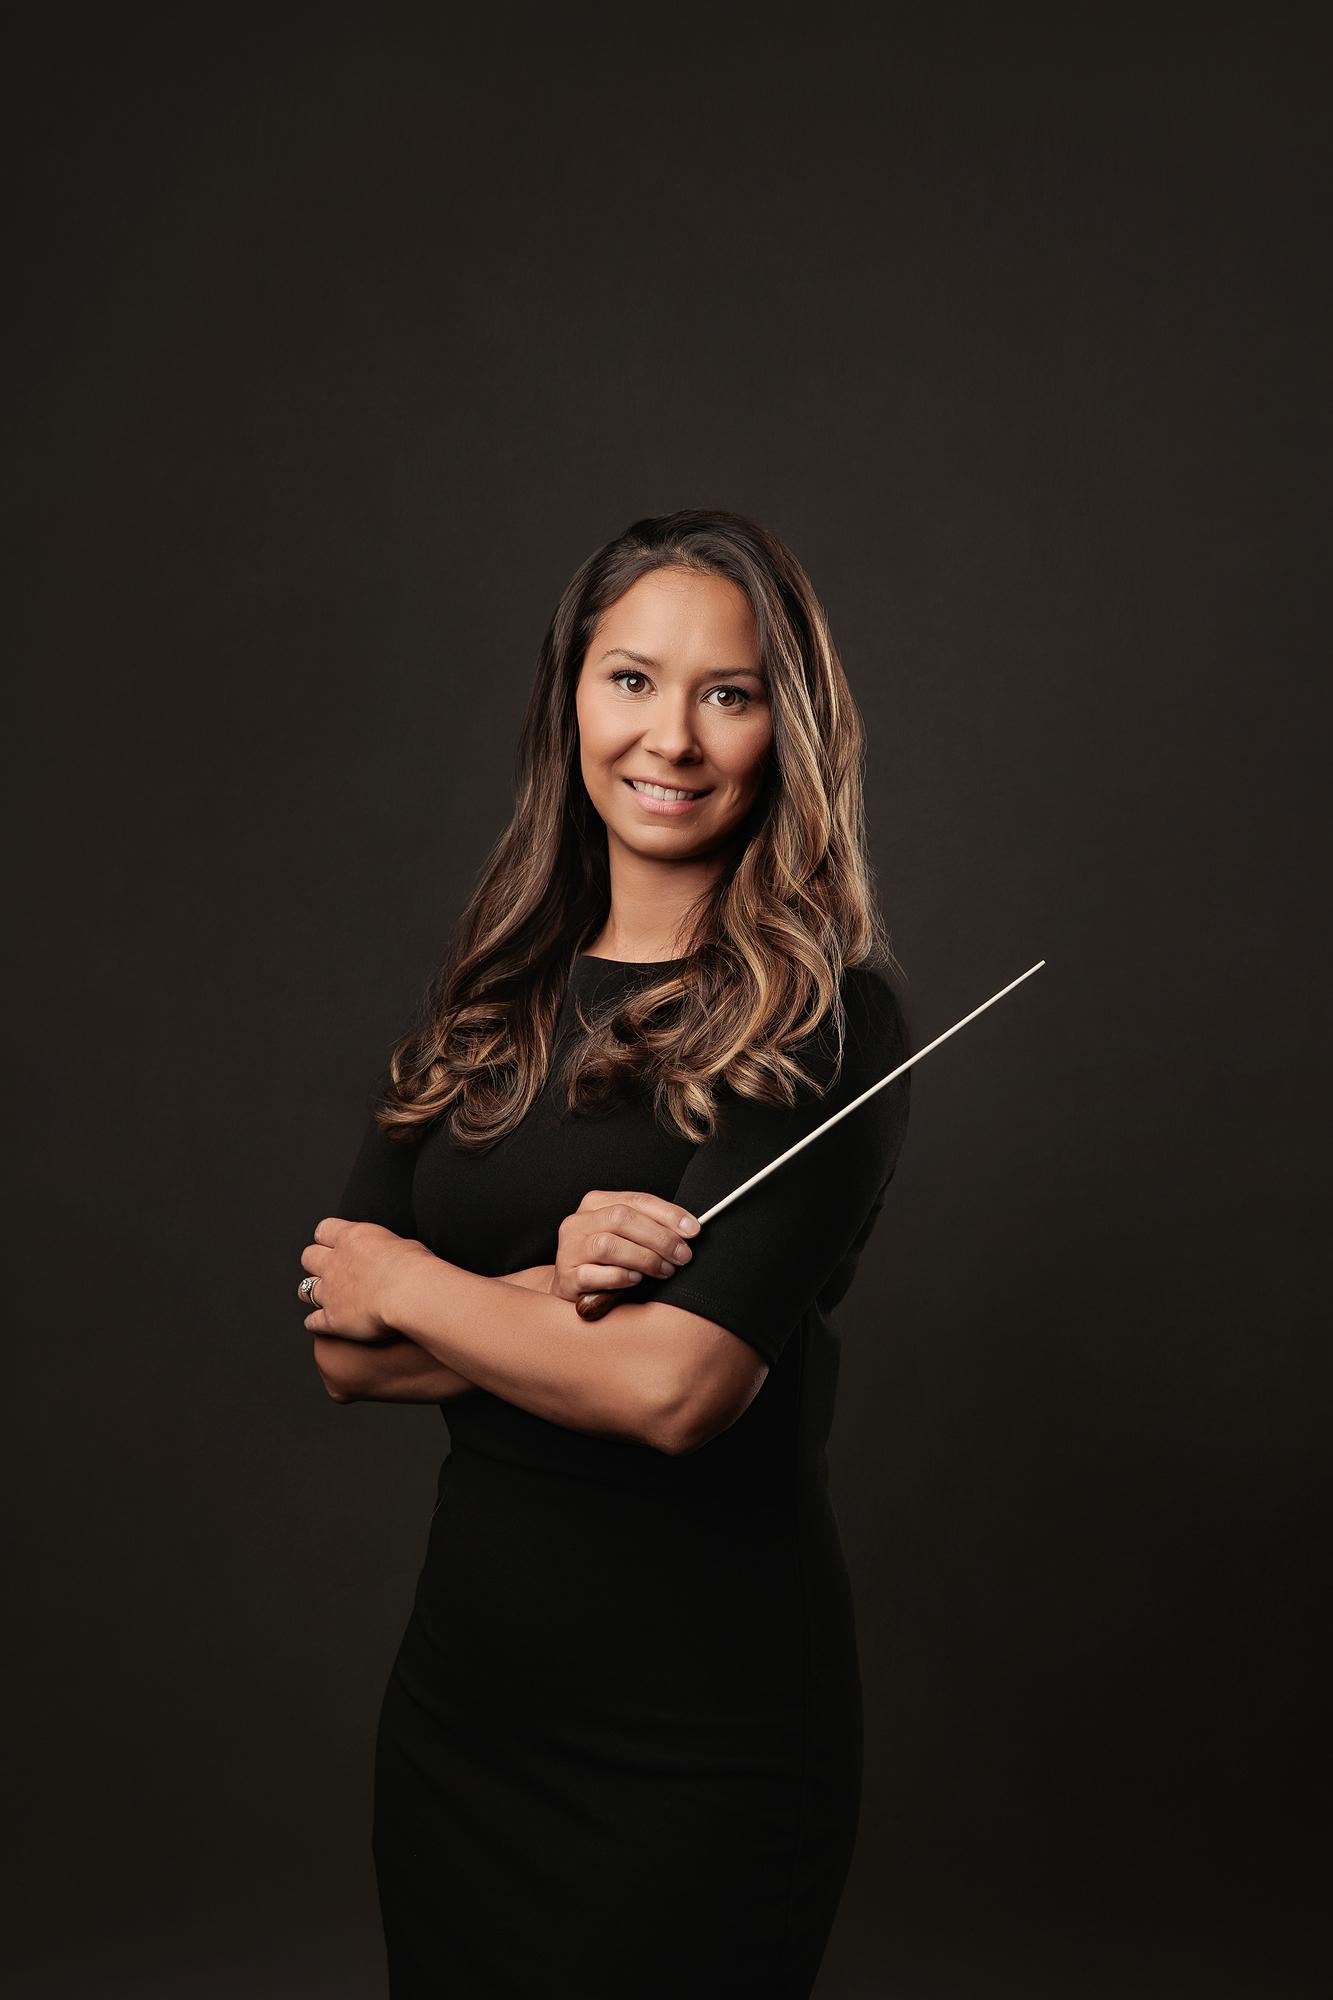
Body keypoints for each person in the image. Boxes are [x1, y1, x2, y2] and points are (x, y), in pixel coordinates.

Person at [298, 507, 913, 1999]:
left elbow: (674, 1389)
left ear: (787, 729)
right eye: (631, 680)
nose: (672, 740)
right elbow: (335, 1342)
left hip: (698, 1753)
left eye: (729, 693)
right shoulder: (490, 1000)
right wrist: (544, 1287)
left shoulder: (823, 1017)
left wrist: (417, 1289)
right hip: (463, 1724)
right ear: (569, 697)